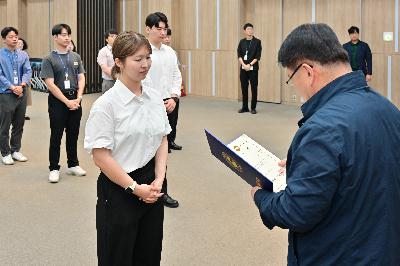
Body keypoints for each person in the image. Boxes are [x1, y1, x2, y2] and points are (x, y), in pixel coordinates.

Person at [251, 23, 400, 265]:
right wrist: (309, 163)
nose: (295, 87)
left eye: (291, 77)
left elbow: (297, 211)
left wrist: (260, 195)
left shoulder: (322, 128)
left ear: (308, 71)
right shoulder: (388, 109)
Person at [84, 31, 169, 266]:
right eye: (138, 59)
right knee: (117, 255)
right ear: (119, 62)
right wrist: (133, 188)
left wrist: (159, 178)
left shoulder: (153, 97)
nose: (145, 65)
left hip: (152, 183)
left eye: (148, 57)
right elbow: (101, 156)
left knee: (149, 251)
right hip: (120, 187)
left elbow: (161, 138)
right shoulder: (106, 105)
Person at [144, 12, 181, 208]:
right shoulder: (143, 52)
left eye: (164, 28)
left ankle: (161, 189)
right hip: (150, 106)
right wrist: (159, 102)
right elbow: (143, 80)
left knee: (163, 148)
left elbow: (177, 75)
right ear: (148, 29)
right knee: (149, 148)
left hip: (170, 103)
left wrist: (174, 96)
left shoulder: (170, 52)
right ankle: (144, 188)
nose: (162, 31)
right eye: (158, 28)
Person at [40, 24, 86, 183]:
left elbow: (81, 77)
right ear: (55, 37)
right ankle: (54, 168)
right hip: (58, 101)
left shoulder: (75, 56)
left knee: (73, 134)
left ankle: (73, 164)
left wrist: (78, 98)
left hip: (75, 99)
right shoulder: (49, 59)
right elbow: (50, 84)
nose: (67, 38)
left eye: (68, 34)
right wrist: (67, 101)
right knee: (56, 135)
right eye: (64, 35)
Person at [0, 26, 31, 165]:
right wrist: (12, 87)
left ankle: (15, 150)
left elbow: (28, 71)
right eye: (11, 37)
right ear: (4, 39)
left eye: (16, 36)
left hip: (21, 92)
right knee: (5, 125)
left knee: (19, 123)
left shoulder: (23, 55)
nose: (14, 39)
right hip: (6, 93)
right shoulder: (0, 55)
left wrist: (22, 85)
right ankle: (5, 152)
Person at [237, 23, 262, 114]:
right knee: (244, 88)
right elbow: (239, 55)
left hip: (253, 69)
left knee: (254, 88)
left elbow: (258, 56)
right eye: (248, 29)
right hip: (243, 68)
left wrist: (249, 65)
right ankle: (244, 107)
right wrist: (244, 65)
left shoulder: (257, 42)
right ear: (244, 31)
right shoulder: (241, 42)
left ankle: (253, 108)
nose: (250, 31)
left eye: (251, 29)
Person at [97, 29, 118, 93]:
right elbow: (105, 69)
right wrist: (119, 77)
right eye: (112, 36)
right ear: (106, 39)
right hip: (109, 82)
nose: (114, 38)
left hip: (121, 81)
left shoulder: (120, 50)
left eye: (116, 36)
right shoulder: (103, 51)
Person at [16, 38, 32, 120]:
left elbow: (28, 69)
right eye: (19, 43)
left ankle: (23, 113)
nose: (20, 45)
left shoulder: (25, 54)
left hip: (24, 80)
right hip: (14, 81)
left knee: (24, 98)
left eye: (22, 44)